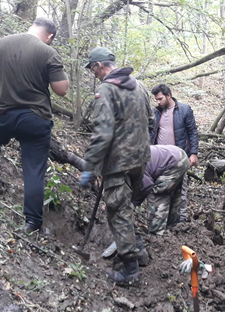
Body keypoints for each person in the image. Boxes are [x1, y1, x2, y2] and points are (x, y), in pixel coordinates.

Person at [0, 17, 69, 234]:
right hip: (35, 119)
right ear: (50, 36)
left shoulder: (2, 44)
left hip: (3, 113)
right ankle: (33, 222)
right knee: (34, 170)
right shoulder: (48, 52)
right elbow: (61, 90)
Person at [79, 47, 154, 287]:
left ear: (100, 65)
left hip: (119, 163)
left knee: (118, 212)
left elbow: (102, 133)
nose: (93, 73)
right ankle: (137, 247)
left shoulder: (106, 90)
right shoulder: (139, 86)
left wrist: (90, 166)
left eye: (92, 68)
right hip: (140, 160)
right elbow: (151, 121)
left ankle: (130, 271)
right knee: (126, 206)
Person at [101, 144, 189, 260]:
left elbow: (146, 186)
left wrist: (133, 204)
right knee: (172, 194)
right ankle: (174, 228)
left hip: (174, 162)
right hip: (178, 155)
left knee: (157, 194)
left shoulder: (130, 164)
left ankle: (157, 237)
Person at [149, 84, 199, 222]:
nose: (158, 102)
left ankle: (180, 224)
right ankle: (161, 223)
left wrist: (193, 153)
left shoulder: (184, 110)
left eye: (160, 99)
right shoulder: (155, 112)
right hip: (158, 160)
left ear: (168, 95)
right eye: (156, 99)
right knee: (160, 192)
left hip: (178, 159)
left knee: (180, 192)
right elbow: (150, 133)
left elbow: (193, 132)